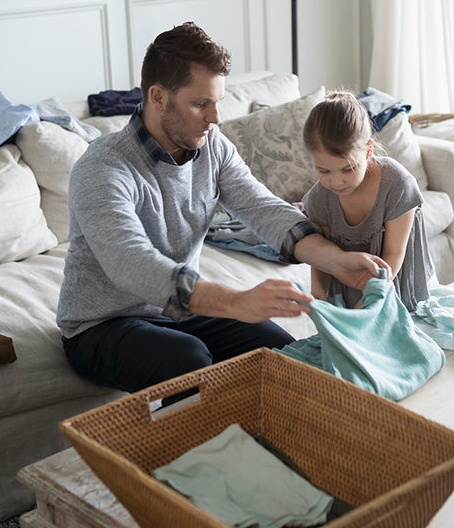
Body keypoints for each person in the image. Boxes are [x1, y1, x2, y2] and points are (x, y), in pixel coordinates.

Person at [57, 23, 389, 402]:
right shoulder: (103, 168)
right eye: (201, 104)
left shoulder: (211, 145)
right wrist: (236, 302)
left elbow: (261, 207)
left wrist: (337, 261)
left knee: (281, 354)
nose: (215, 117)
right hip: (102, 326)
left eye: (217, 102)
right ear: (158, 96)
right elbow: (131, 263)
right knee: (189, 359)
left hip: (177, 310)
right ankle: (206, 457)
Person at [300, 91, 434, 312]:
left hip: (392, 279)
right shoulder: (319, 198)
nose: (336, 181)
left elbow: (394, 253)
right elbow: (321, 255)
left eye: (348, 168)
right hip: (347, 288)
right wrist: (319, 293)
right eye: (323, 171)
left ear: (368, 150)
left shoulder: (396, 183)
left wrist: (371, 298)